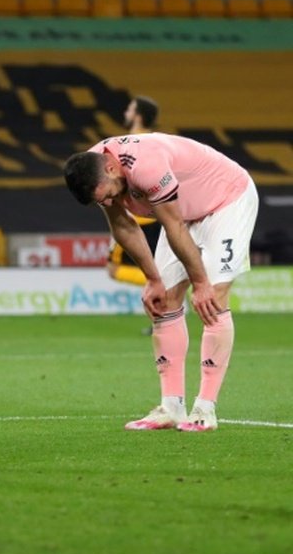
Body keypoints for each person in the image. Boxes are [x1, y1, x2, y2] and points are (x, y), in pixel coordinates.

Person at [64, 133, 259, 432]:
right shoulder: (94, 169)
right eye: (100, 201)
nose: (109, 201)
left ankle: (205, 409)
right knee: (164, 300)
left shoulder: (147, 166)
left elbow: (174, 225)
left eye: (108, 194)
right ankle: (171, 408)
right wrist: (153, 279)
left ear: (112, 168)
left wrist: (201, 283)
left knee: (213, 298)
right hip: (183, 213)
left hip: (226, 200)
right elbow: (123, 225)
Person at [108, 95, 161, 289]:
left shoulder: (127, 144)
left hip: (135, 220)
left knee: (114, 270)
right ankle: (163, 312)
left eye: (130, 109)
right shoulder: (156, 142)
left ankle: (165, 288)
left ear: (138, 116)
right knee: (153, 270)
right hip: (157, 218)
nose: (126, 113)